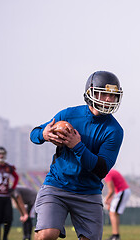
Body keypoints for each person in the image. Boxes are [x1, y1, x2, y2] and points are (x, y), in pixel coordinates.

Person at [30, 70, 124, 240]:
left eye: (112, 95)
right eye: (103, 94)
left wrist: (77, 146)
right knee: (46, 235)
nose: (109, 99)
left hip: (89, 191)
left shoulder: (114, 130)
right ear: (91, 93)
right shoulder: (68, 115)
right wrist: (44, 134)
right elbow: (34, 134)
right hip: (57, 186)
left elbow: (101, 169)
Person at [104, 169, 131, 240]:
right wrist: (110, 201)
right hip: (122, 192)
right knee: (113, 214)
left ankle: (116, 236)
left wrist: (106, 199)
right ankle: (115, 235)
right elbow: (113, 190)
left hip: (122, 192)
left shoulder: (107, 174)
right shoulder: (111, 171)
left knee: (113, 213)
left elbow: (111, 191)